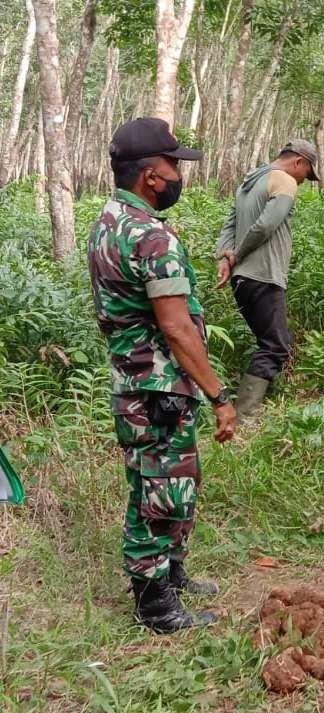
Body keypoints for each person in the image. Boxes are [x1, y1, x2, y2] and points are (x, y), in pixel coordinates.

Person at [87, 117, 237, 633]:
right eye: (174, 165)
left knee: (170, 480)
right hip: (156, 387)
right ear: (152, 175)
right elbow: (176, 328)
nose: (179, 175)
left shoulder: (110, 221)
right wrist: (219, 394)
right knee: (159, 490)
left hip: (137, 382)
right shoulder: (150, 237)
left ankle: (170, 573)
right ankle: (155, 605)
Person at [215, 139, 319, 418]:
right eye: (307, 173)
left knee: (272, 340)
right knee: (275, 345)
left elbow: (230, 222)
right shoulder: (285, 181)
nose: (305, 180)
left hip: (243, 280)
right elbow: (265, 227)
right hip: (264, 275)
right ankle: (245, 415)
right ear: (299, 161)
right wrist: (235, 255)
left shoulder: (250, 181)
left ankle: (248, 408)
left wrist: (224, 259)